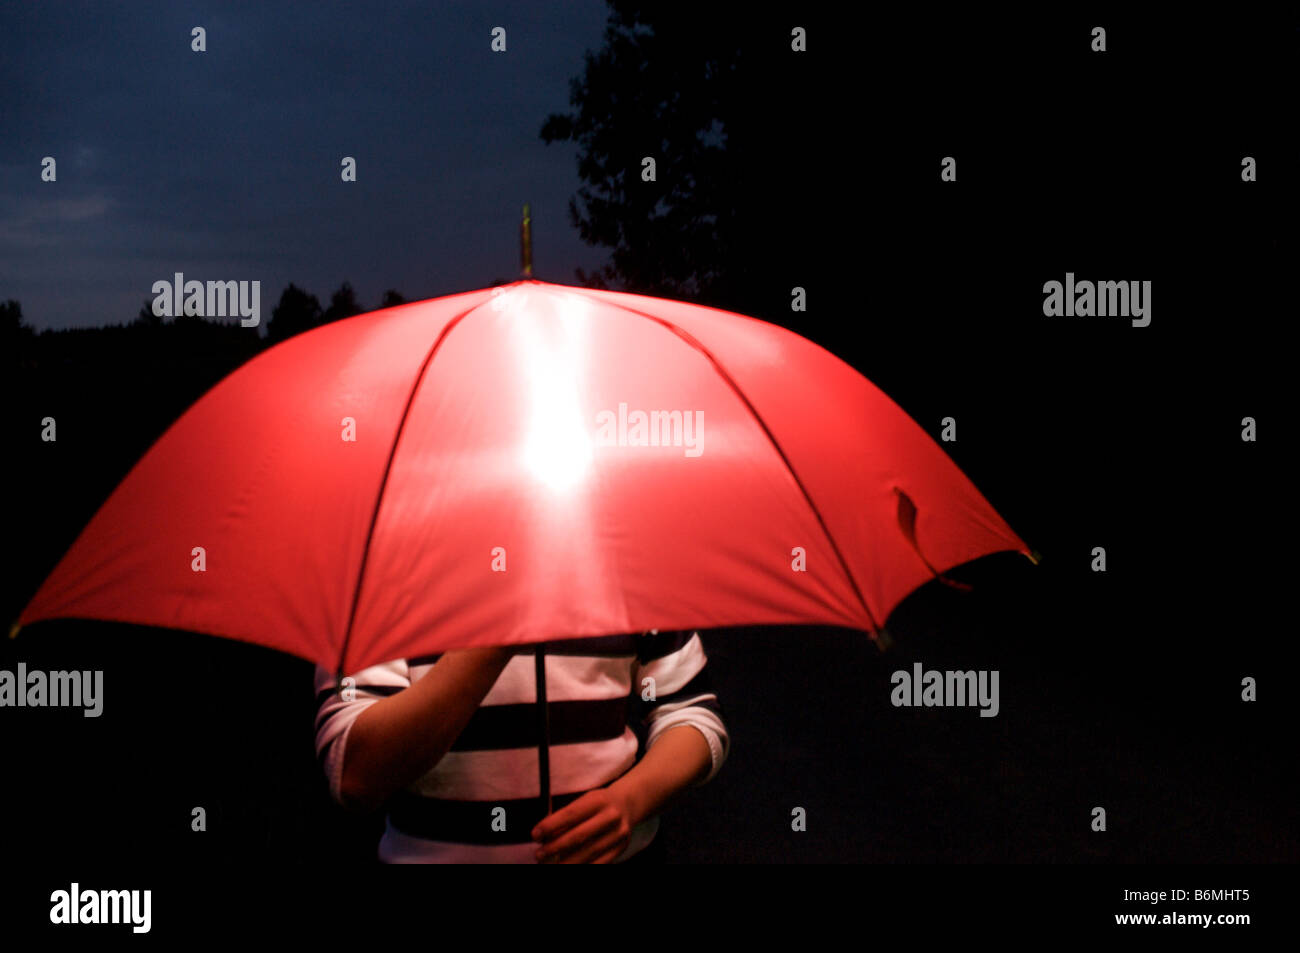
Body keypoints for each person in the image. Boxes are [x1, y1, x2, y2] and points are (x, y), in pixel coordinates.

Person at [313, 629, 728, 863]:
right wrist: (498, 636)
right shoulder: (378, 579)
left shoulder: (627, 563)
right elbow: (354, 773)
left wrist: (630, 801)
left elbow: (688, 712)